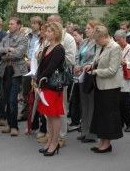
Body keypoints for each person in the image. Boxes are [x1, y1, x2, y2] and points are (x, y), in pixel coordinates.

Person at [84, 25, 123, 153]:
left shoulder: (115, 47)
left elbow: (112, 70)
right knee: (100, 115)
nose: (96, 42)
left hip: (110, 87)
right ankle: (102, 141)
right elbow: (96, 61)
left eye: (97, 39)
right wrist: (90, 66)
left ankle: (107, 143)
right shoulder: (101, 46)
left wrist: (95, 72)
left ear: (105, 36)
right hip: (100, 86)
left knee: (108, 116)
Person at [36, 22, 66, 156]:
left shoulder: (59, 49)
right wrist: (37, 79)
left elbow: (51, 68)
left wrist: (39, 79)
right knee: (48, 115)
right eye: (46, 31)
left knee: (54, 115)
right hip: (44, 84)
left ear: (55, 33)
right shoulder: (47, 46)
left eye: (48, 31)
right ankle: (49, 142)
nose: (46, 33)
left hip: (53, 86)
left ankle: (55, 143)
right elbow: (41, 66)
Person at [0, 17, 27, 136]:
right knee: (5, 98)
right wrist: (7, 49)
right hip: (4, 71)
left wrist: (5, 54)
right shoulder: (5, 38)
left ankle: (14, 126)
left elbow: (19, 54)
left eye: (12, 24)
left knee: (13, 100)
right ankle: (9, 124)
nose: (9, 26)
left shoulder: (23, 39)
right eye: (9, 24)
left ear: (18, 26)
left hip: (16, 72)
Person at [47, 15, 76, 148]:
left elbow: (70, 60)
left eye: (52, 23)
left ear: (59, 23)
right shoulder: (48, 39)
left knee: (60, 108)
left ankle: (61, 136)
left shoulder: (68, 39)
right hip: (47, 79)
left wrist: (55, 58)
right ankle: (51, 135)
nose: (49, 26)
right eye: (48, 23)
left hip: (58, 79)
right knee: (48, 108)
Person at [77, 20, 101, 143]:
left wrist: (81, 67)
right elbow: (78, 56)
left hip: (90, 75)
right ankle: (84, 131)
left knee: (91, 104)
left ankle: (92, 133)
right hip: (81, 76)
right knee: (84, 104)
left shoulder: (97, 44)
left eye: (88, 28)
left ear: (95, 30)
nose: (86, 30)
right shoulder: (85, 41)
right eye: (86, 28)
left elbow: (95, 60)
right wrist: (76, 66)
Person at [114, 29, 130, 132]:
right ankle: (121, 123)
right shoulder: (116, 48)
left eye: (119, 40)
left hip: (126, 81)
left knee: (125, 104)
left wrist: (126, 63)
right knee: (118, 103)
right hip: (117, 79)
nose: (117, 42)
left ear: (124, 38)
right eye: (116, 40)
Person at [19, 16, 42, 124]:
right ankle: (25, 113)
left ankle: (37, 114)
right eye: (32, 23)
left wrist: (33, 62)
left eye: (35, 23)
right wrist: (26, 60)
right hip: (26, 64)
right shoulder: (27, 36)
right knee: (25, 90)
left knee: (36, 90)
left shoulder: (42, 36)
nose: (33, 25)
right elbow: (24, 50)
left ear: (40, 25)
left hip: (36, 65)